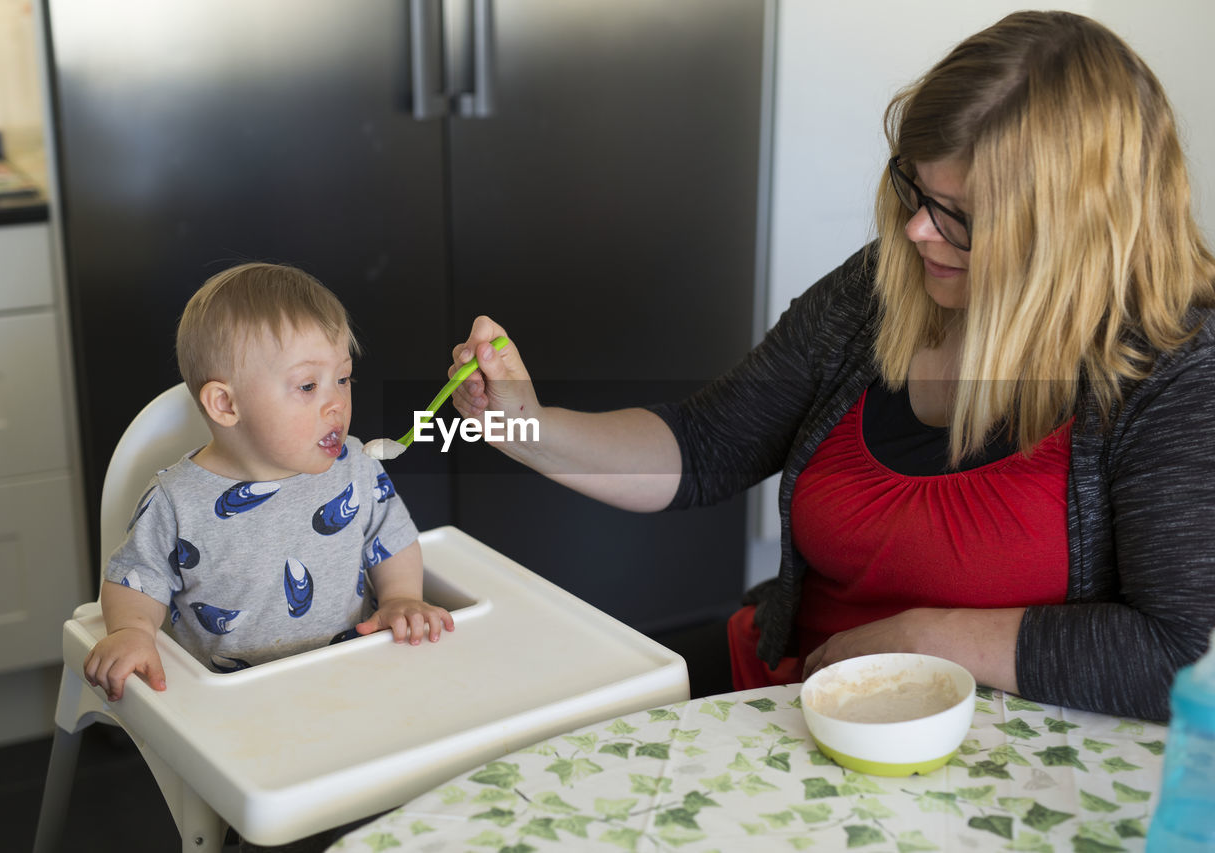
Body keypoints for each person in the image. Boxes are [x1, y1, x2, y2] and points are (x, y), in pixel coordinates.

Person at [446, 10, 1215, 723]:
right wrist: (525, 426)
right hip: (783, 692)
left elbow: (1183, 654)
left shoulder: (1177, 373)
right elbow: (707, 445)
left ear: (1072, 232)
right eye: (916, 187)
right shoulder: (883, 287)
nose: (915, 229)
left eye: (959, 216)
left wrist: (923, 636)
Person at [84, 262, 453, 702]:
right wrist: (131, 631)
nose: (336, 401)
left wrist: (400, 598)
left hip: (358, 677)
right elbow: (137, 578)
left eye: (342, 378)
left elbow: (391, 540)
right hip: (234, 702)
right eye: (307, 386)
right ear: (225, 403)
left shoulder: (356, 466)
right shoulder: (177, 500)